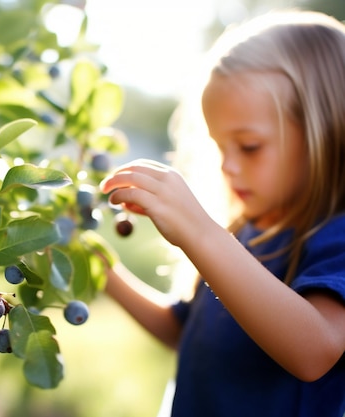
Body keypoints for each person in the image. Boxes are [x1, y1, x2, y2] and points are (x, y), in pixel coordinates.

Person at [99, 9, 345, 417]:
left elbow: (315, 351)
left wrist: (201, 233)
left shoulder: (334, 236)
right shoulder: (245, 233)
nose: (227, 167)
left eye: (248, 146)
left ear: (326, 133)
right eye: (219, 147)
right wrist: (102, 271)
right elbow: (183, 332)